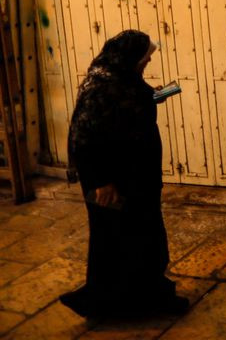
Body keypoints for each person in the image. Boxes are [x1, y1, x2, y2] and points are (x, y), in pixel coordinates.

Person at [59, 29, 189, 318]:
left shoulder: (123, 79)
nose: (147, 63)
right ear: (129, 57)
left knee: (144, 238)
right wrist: (101, 183)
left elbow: (133, 101)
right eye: (145, 58)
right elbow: (83, 140)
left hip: (136, 181)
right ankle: (117, 304)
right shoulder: (101, 90)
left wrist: (152, 95)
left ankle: (146, 295)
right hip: (114, 185)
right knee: (119, 242)